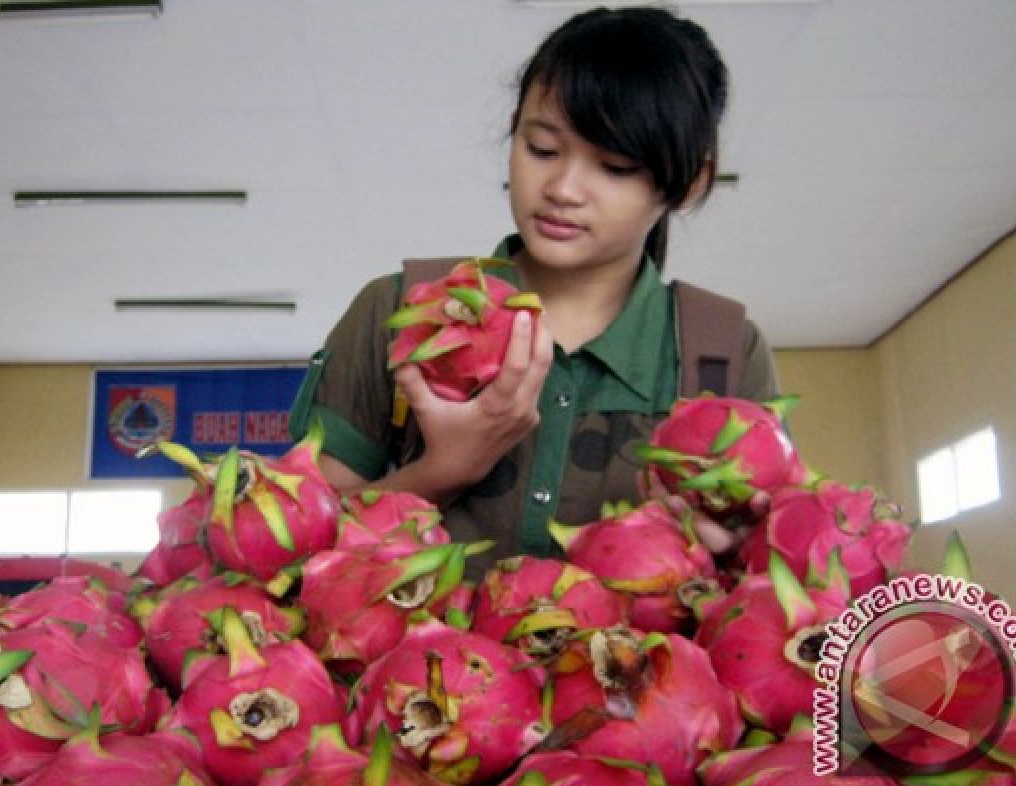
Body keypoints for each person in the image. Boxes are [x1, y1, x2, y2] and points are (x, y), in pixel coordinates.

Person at [289, 5, 778, 575]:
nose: (563, 189)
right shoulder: (399, 312)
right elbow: (296, 558)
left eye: (615, 167)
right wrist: (439, 473)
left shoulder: (721, 355)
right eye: (542, 148)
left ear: (689, 182)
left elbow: (769, 596)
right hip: (416, 668)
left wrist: (727, 551)